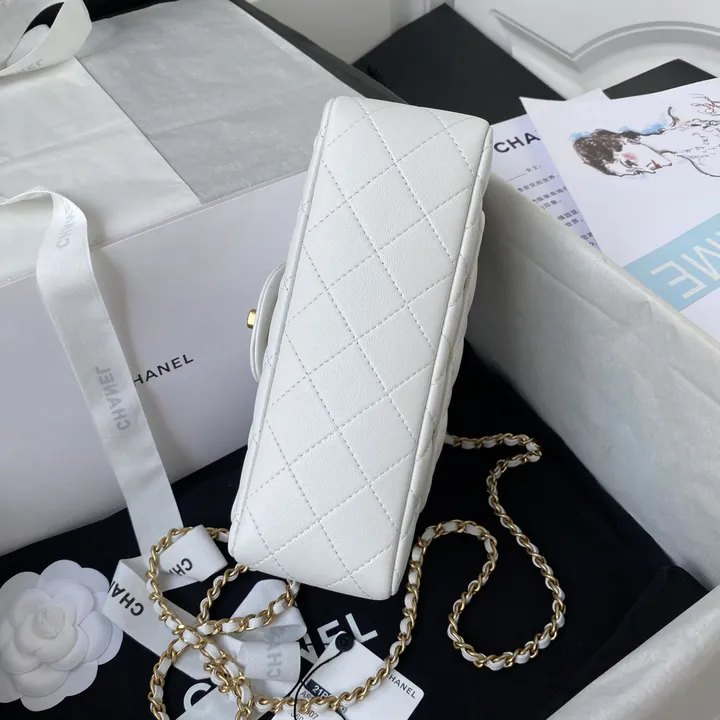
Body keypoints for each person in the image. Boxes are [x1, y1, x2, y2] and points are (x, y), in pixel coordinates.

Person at [573, 101, 720, 178]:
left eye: (630, 163)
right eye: (638, 172)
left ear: (623, 141)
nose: (648, 170)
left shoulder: (683, 109)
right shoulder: (712, 167)